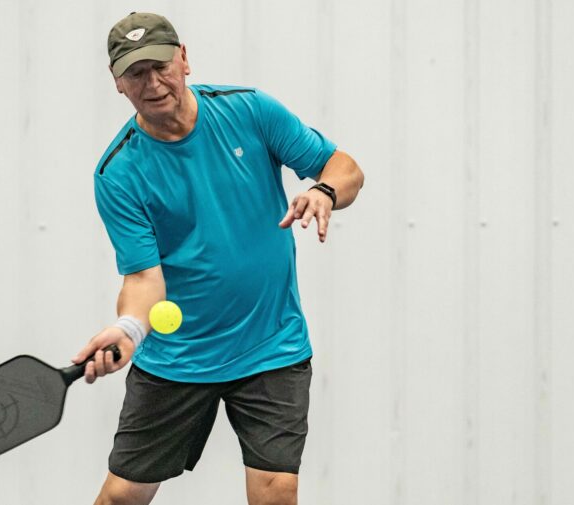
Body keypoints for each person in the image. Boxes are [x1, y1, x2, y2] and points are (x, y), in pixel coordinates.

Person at [72, 11, 364, 505]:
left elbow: (346, 168)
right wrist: (128, 329)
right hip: (177, 359)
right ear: (118, 83)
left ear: (184, 59)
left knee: (276, 492)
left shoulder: (249, 111)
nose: (153, 81)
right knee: (122, 497)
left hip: (271, 345)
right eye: (135, 72)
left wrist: (325, 191)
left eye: (161, 65)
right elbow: (144, 277)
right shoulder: (119, 172)